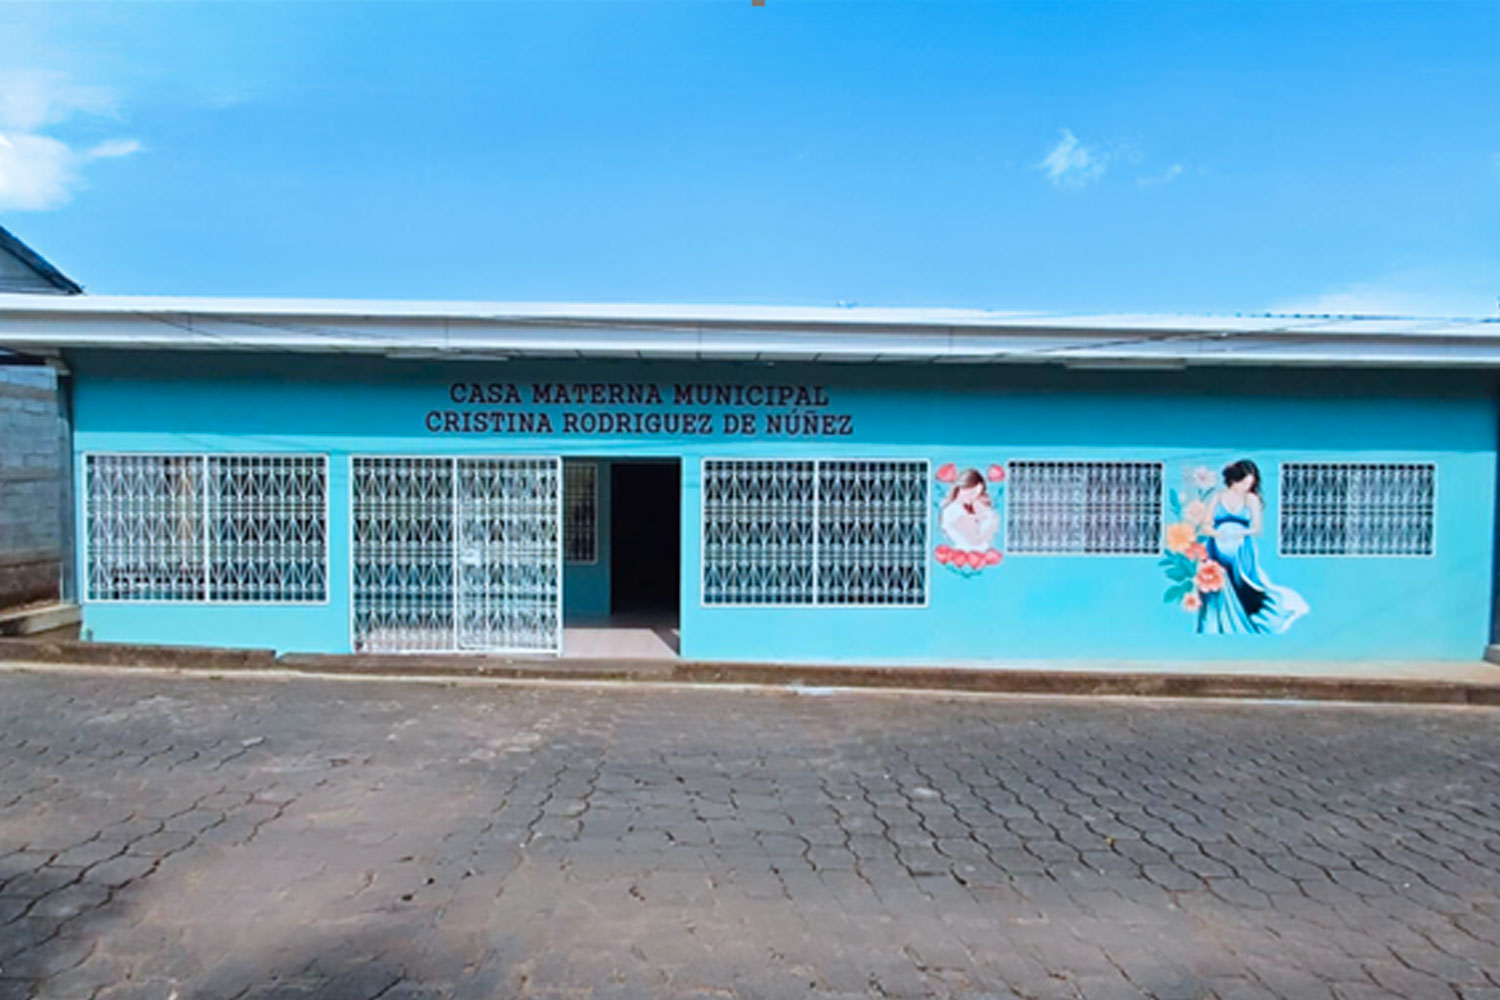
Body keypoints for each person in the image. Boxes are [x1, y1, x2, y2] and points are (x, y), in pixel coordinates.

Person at [1192, 458, 1308, 634]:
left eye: (1250, 483)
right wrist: (1217, 534)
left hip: (1241, 550)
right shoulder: (1218, 496)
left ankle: (1245, 621)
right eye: (1244, 481)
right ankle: (1217, 625)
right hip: (1217, 549)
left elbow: (1257, 528)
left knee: (1243, 585)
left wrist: (1237, 534)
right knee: (1217, 587)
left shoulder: (1250, 499)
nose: (1246, 486)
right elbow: (1206, 525)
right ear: (1235, 479)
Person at [940, 468, 1000, 552]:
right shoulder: (953, 511)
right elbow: (976, 540)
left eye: (977, 494)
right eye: (972, 492)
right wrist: (989, 518)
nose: (973, 497)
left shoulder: (965, 508)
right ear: (962, 487)